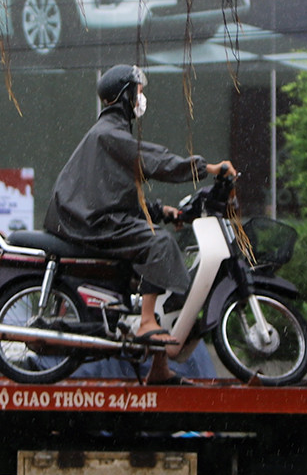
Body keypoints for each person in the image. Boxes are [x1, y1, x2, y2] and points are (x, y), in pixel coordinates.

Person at [43, 65, 231, 386]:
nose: (142, 98)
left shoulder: (111, 134)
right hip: (91, 223)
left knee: (151, 266)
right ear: (125, 96)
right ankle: (145, 322)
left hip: (93, 217)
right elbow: (154, 161)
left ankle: (159, 368)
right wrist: (206, 167)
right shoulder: (111, 135)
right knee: (158, 244)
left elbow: (119, 195)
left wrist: (163, 211)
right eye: (139, 92)